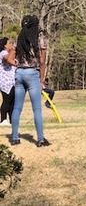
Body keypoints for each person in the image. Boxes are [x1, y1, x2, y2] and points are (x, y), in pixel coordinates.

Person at [10, 15, 50, 147]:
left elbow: (10, 58)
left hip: (20, 73)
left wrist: (18, 65)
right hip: (33, 73)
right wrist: (42, 80)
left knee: (17, 108)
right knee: (37, 109)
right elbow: (42, 62)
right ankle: (40, 139)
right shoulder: (39, 40)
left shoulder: (19, 39)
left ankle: (15, 137)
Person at [0, 38, 16, 126]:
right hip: (4, 81)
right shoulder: (3, 53)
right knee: (7, 100)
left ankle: (12, 120)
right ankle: (3, 119)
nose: (12, 45)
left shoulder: (10, 53)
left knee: (13, 101)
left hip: (12, 81)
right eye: (10, 43)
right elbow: (8, 59)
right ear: (5, 45)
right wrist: (14, 50)